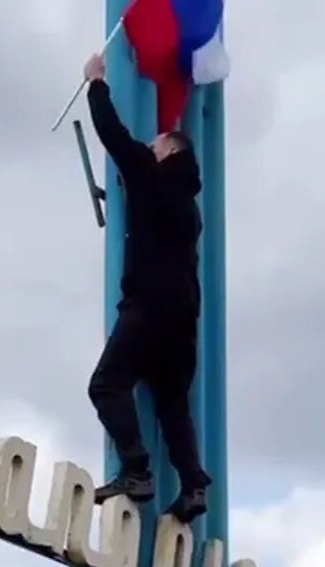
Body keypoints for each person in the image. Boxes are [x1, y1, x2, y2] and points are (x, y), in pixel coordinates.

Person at [82, 53, 212, 524]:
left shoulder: (151, 174)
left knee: (107, 384)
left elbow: (113, 135)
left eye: (156, 143)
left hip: (148, 304)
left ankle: (136, 470)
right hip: (184, 313)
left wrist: (96, 83)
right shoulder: (190, 205)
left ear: (171, 152)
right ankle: (194, 484)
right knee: (172, 402)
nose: (149, 146)